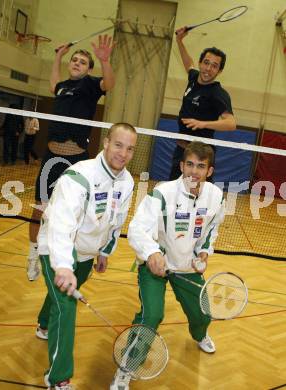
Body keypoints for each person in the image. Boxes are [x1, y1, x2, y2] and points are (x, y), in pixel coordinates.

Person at [110, 141, 225, 390]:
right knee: (151, 315)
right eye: (190, 164)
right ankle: (127, 368)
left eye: (201, 166)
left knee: (202, 312)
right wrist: (152, 253)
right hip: (156, 266)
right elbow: (137, 228)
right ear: (182, 165)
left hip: (187, 267)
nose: (194, 171)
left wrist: (204, 251)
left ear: (210, 171)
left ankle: (199, 334)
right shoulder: (162, 193)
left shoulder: (216, 197)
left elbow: (211, 230)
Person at [36, 123, 137, 390]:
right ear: (105, 143)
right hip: (58, 247)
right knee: (66, 307)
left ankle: (43, 323)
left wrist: (105, 251)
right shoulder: (78, 176)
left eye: (129, 149)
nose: (123, 154)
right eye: (118, 145)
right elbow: (61, 224)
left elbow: (117, 220)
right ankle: (58, 378)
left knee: (61, 298)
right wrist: (63, 265)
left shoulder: (127, 181)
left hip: (87, 253)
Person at [27, 34, 115, 281]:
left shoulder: (89, 86)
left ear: (88, 69)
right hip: (51, 158)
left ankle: (70, 257)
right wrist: (57, 56)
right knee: (39, 210)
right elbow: (52, 83)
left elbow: (109, 84)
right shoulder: (62, 87)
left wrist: (105, 61)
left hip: (76, 161)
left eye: (82, 62)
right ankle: (33, 256)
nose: (76, 63)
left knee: (76, 212)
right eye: (74, 60)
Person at [169, 27, 236, 180]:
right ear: (200, 63)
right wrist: (179, 40)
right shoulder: (194, 77)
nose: (208, 68)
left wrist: (202, 124)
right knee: (173, 192)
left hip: (201, 157)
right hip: (181, 151)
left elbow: (231, 123)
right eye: (206, 63)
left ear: (219, 71)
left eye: (214, 66)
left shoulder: (217, 93)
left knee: (198, 197)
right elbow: (188, 64)